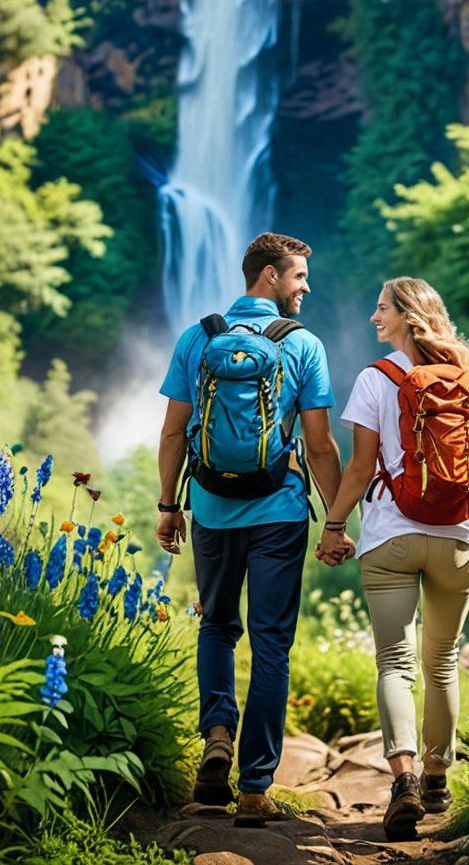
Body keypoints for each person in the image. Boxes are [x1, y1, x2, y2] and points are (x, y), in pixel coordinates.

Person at [317, 277, 469, 841]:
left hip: (390, 538)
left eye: (381, 309)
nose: (372, 317)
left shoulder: (373, 379)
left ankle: (402, 776)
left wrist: (334, 524)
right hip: (459, 537)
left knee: (394, 664)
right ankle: (436, 779)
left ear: (406, 316)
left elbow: (359, 468)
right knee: (443, 661)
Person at [156, 232, 344, 827]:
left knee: (215, 626)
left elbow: (171, 433)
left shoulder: (197, 337)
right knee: (271, 643)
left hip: (210, 508)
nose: (305, 288)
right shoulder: (304, 346)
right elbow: (318, 444)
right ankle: (255, 786)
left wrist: (169, 505)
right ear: (268, 277)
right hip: (280, 513)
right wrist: (337, 519)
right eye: (298, 278)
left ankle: (216, 736)